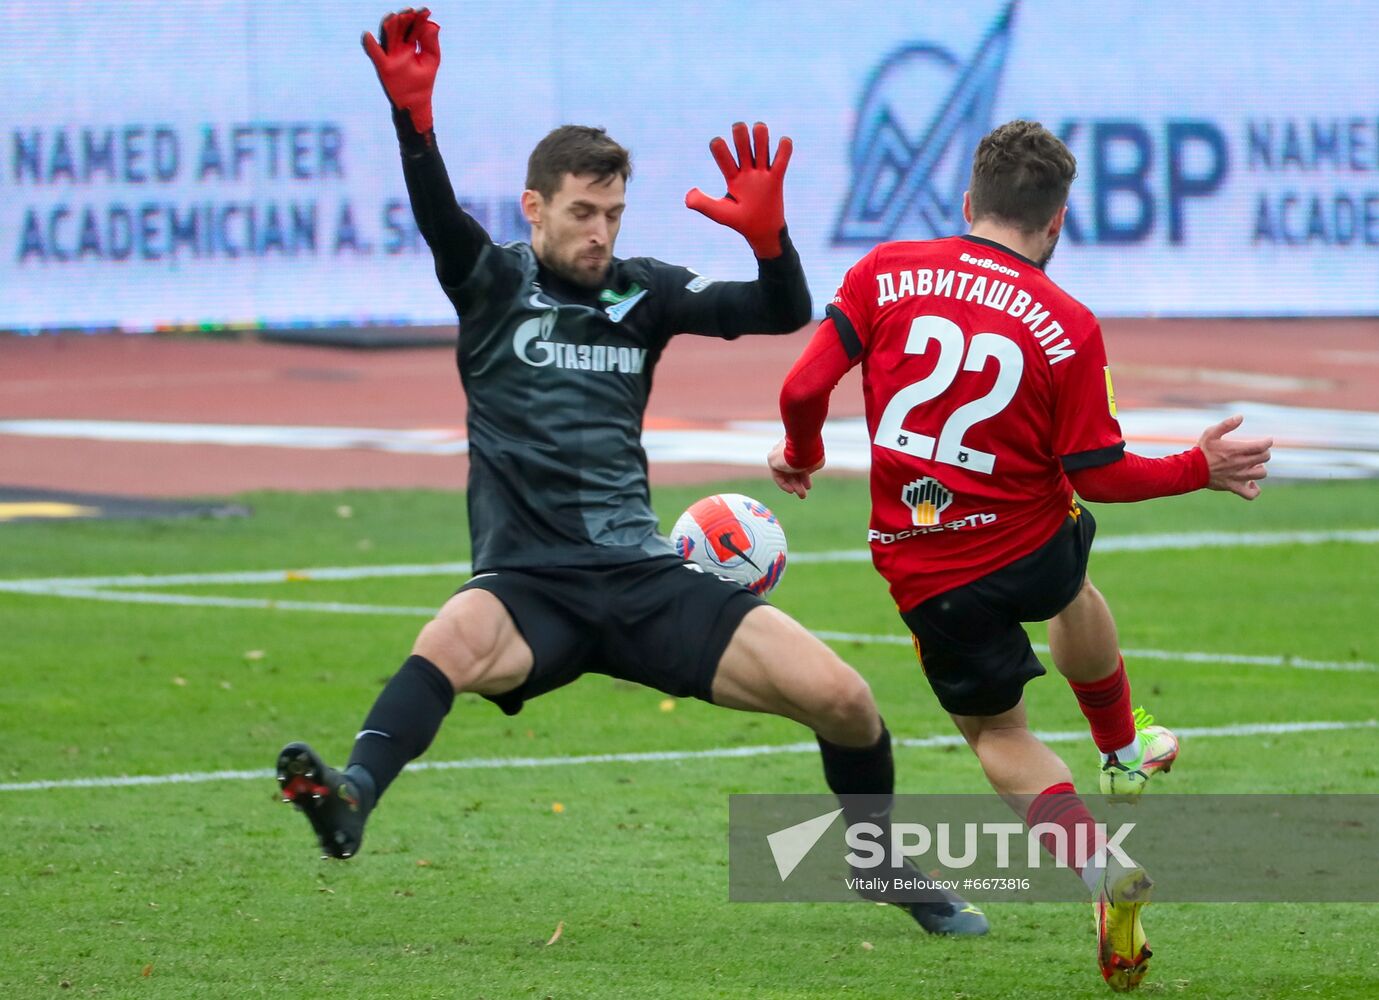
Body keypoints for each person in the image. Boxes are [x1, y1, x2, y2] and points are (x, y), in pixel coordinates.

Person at [276, 7, 986, 937]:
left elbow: (780, 309)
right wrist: (415, 123)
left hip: (643, 578)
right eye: (581, 212)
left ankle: (877, 862)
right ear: (533, 208)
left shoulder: (640, 292)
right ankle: (352, 796)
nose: (599, 233)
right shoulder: (489, 282)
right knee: (450, 638)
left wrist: (770, 240)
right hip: (530, 583)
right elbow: (437, 215)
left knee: (845, 700)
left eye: (612, 213)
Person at [769, 119, 1273, 991]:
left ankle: (1096, 865)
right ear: (1056, 225)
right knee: (1073, 569)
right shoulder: (1068, 323)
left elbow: (802, 386)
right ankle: (1120, 748)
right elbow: (1101, 474)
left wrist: (802, 454)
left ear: (967, 203)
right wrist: (1200, 466)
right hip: (1035, 546)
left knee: (999, 732)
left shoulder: (883, 271)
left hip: (931, 574)